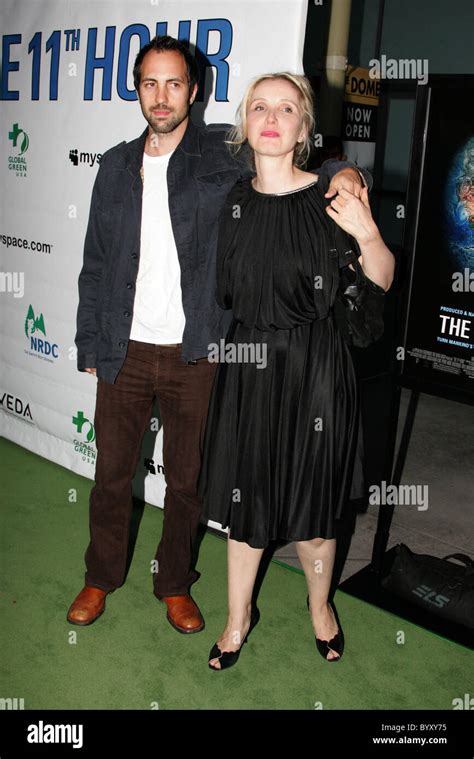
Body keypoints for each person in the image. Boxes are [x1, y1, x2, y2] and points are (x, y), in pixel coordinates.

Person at [68, 35, 372, 633]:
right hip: (123, 349)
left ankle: (175, 584)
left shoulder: (218, 155)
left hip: (198, 349)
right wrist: (88, 342)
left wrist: (344, 170)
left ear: (194, 91)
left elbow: (290, 156)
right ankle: (99, 577)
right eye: (149, 83)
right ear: (137, 90)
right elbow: (97, 261)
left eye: (174, 83)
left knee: (188, 482)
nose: (161, 96)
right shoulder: (114, 165)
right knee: (110, 475)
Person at [198, 72, 394, 668]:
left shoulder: (330, 196)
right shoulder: (232, 200)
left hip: (316, 370)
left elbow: (380, 278)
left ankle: (321, 608)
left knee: (313, 513)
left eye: (287, 108)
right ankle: (237, 619)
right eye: (260, 106)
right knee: (245, 508)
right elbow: (226, 294)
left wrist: (369, 234)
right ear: (245, 123)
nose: (272, 117)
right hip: (250, 373)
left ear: (304, 128)